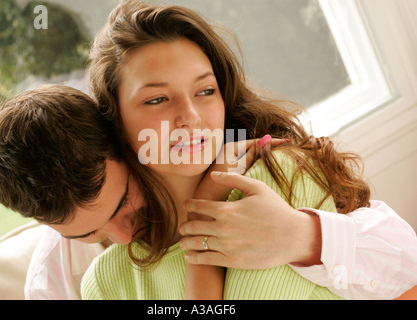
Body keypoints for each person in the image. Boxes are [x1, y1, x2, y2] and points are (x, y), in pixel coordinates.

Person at [81, 0, 417, 299]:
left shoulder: (272, 177)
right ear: (116, 123)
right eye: (157, 99)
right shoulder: (105, 280)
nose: (191, 117)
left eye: (205, 91)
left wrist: (306, 236)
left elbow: (406, 266)